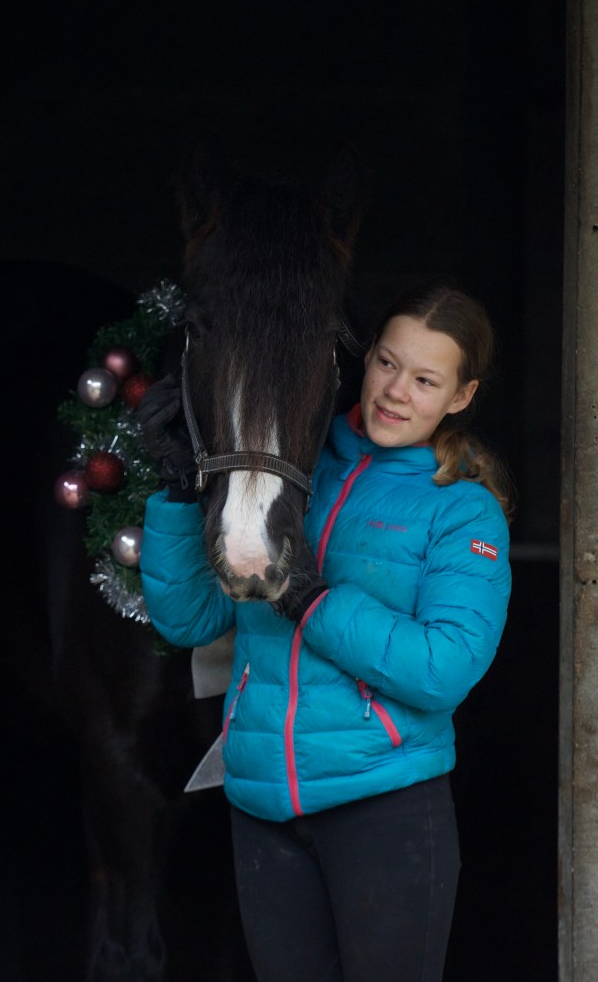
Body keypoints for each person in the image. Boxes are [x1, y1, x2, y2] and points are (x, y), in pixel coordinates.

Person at [138, 282, 513, 982]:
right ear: (363, 358)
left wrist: (310, 599)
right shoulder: (287, 467)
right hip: (261, 806)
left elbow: (443, 668)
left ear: (461, 397)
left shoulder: (460, 512)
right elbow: (190, 618)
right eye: (387, 363)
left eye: (425, 380)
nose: (395, 392)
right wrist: (178, 494)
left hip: (383, 806)